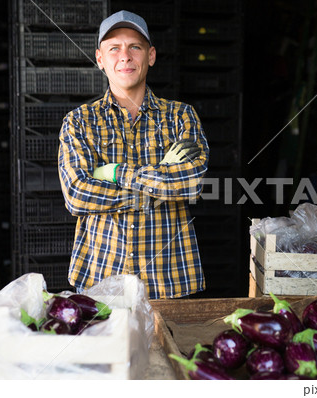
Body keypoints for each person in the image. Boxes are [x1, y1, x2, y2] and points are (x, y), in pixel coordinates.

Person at [58, 10, 209, 299]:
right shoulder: (79, 121)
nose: (124, 56)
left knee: (165, 347)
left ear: (150, 56)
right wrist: (159, 181)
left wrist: (113, 173)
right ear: (100, 59)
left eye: (134, 47)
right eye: (114, 48)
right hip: (100, 276)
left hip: (169, 279)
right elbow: (77, 194)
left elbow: (191, 184)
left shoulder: (181, 116)